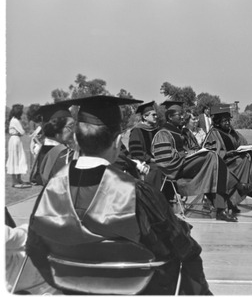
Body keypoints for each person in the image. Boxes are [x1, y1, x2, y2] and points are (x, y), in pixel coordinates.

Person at [26, 95, 212, 295]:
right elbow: (182, 246)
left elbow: (35, 249)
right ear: (117, 142)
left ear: (77, 140)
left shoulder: (52, 190)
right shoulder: (135, 193)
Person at [152, 101, 252, 222]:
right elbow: (165, 160)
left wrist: (194, 152)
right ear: (170, 117)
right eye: (179, 114)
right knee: (211, 156)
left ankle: (221, 210)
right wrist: (186, 154)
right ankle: (237, 186)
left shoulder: (184, 131)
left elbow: (195, 147)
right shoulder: (163, 133)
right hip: (176, 168)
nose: (183, 117)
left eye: (183, 114)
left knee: (213, 163)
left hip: (189, 164)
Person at [36, 101, 77, 185]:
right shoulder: (62, 154)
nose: (74, 130)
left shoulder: (46, 150)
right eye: (71, 126)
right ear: (57, 127)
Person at [128, 101, 162, 187]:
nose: (156, 117)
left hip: (157, 160)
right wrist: (151, 159)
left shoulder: (156, 130)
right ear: (145, 117)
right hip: (144, 162)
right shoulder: (136, 131)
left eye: (156, 114)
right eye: (153, 115)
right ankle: (153, 195)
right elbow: (136, 152)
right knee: (157, 169)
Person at [6, 104, 31, 188]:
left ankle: (18, 179)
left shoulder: (14, 120)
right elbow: (22, 132)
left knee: (19, 158)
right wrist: (23, 130)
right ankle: (14, 181)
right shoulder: (15, 121)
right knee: (15, 159)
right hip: (15, 140)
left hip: (16, 140)